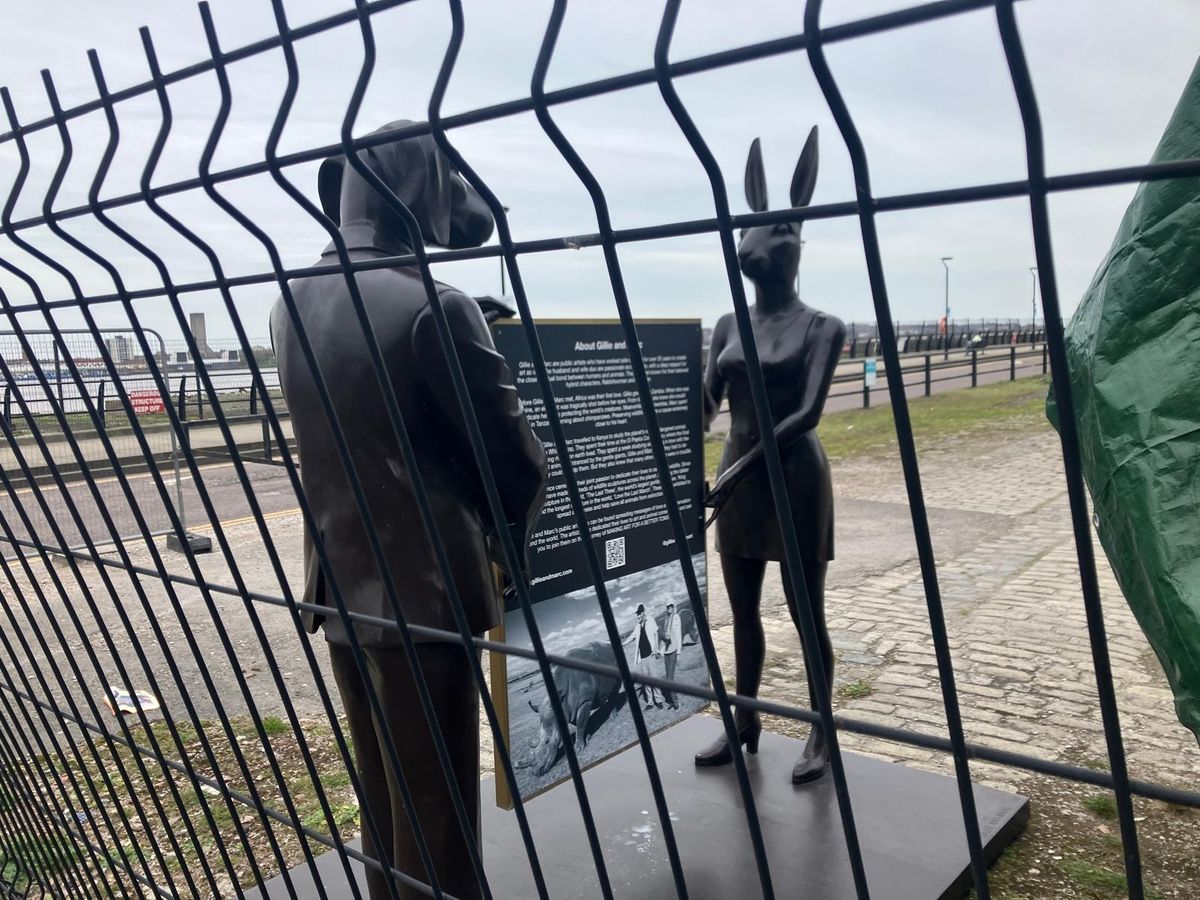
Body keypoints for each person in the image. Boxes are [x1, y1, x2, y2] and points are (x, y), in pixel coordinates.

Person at [272, 121, 546, 900]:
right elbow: (519, 467)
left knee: (384, 811)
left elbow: (364, 410)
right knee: (441, 820)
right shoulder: (437, 307)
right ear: (418, 184)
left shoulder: (288, 301)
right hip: (425, 597)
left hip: (338, 591)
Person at [624, 604, 662, 710]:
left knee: (654, 678)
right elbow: (631, 637)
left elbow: (656, 634)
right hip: (643, 658)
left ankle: (658, 700)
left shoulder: (651, 621)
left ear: (643, 612)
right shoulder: (637, 627)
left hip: (651, 655)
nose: (638, 616)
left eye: (639, 613)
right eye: (637, 614)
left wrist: (656, 649)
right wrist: (622, 643)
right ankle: (650, 702)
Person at [659, 602, 683, 710]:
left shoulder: (676, 617)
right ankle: (672, 702)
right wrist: (661, 650)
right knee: (668, 677)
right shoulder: (665, 619)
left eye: (671, 606)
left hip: (673, 650)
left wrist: (678, 653)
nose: (669, 608)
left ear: (674, 607)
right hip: (667, 652)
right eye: (668, 606)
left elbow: (678, 634)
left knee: (669, 678)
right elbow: (665, 637)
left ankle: (676, 703)